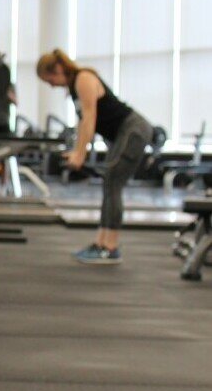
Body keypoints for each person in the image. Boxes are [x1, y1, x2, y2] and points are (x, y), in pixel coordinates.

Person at [37, 48, 153, 265]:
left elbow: (90, 118)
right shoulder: (74, 88)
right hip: (122, 133)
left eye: (49, 78)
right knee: (110, 182)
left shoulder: (83, 78)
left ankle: (110, 246)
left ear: (58, 68)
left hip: (133, 130)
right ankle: (101, 242)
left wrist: (80, 154)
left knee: (113, 181)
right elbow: (82, 123)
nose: (51, 84)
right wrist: (76, 150)